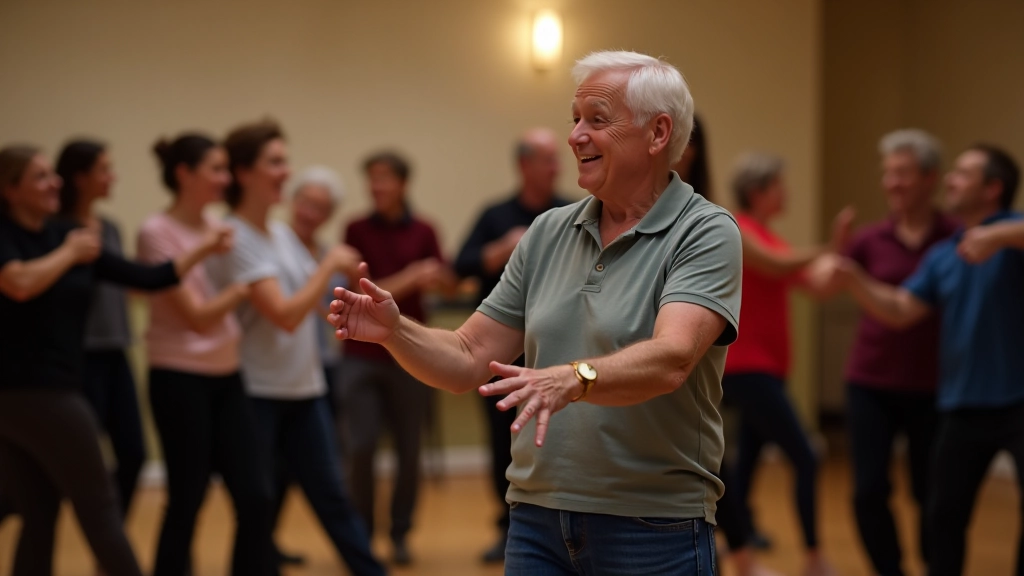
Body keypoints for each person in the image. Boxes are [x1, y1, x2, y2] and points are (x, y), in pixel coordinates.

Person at [330, 50, 741, 574]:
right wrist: (396, 332)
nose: (575, 137)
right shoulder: (548, 232)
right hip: (536, 521)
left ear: (658, 133)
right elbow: (468, 355)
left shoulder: (705, 231)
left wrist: (574, 377)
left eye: (597, 120)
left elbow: (673, 358)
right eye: (574, 119)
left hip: (652, 525)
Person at [0, 144, 229, 576]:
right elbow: (19, 283)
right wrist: (70, 253)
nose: (54, 183)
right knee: (100, 505)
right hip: (36, 391)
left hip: (48, 388)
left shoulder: (64, 235)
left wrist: (204, 247)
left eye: (52, 174)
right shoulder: (23, 238)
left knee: (40, 509)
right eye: (40, 177)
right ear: (10, 190)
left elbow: (150, 277)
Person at [816, 144, 1024, 576]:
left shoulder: (1013, 236)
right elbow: (899, 309)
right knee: (943, 517)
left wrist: (999, 236)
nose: (951, 179)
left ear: (993, 188)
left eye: (963, 173)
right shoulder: (945, 254)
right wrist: (854, 278)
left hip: (1018, 403)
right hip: (960, 407)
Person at [214, 120, 386, 576]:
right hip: (256, 392)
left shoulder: (281, 235)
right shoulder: (234, 236)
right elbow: (286, 316)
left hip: (304, 388)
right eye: (275, 162)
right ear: (244, 172)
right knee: (257, 507)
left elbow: (312, 307)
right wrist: (328, 263)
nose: (285, 172)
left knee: (331, 497)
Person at [139, 133, 275, 576]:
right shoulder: (156, 232)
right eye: (215, 169)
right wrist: (245, 287)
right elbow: (196, 317)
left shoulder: (219, 226)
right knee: (187, 498)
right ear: (184, 174)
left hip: (227, 373)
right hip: (178, 377)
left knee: (255, 496)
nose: (224, 178)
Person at [722, 152, 851, 576]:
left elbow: (815, 286)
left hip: (769, 369)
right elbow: (776, 265)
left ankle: (740, 543)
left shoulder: (773, 238)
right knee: (806, 455)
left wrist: (845, 267)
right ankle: (813, 556)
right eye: (779, 185)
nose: (786, 193)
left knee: (747, 463)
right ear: (757, 191)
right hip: (746, 367)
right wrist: (829, 248)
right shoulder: (738, 228)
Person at [840, 129, 955, 576]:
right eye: (888, 173)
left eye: (902, 173)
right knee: (868, 491)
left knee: (933, 492)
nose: (892, 183)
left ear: (930, 178)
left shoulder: (956, 237)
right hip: (871, 381)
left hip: (937, 385)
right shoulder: (869, 239)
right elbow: (827, 280)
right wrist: (832, 255)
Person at [453, 127, 570, 563]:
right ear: (524, 165)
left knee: (556, 438)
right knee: (502, 441)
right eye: (547, 159)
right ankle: (507, 527)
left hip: (557, 352)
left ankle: (559, 525)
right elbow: (459, 265)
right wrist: (503, 249)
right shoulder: (496, 215)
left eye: (556, 159)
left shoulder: (571, 211)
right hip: (501, 353)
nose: (557, 167)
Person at [672, 118, 781, 576]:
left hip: (709, 362)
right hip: (740, 364)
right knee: (721, 461)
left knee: (715, 459)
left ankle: (741, 554)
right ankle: (739, 552)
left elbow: (779, 266)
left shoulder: (710, 222)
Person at [341, 150, 456, 566]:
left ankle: (400, 534)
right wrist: (413, 276)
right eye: (371, 178)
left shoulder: (425, 230)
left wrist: (441, 278)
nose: (376, 186)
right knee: (360, 447)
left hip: (412, 353)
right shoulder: (354, 228)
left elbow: (448, 286)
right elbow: (365, 292)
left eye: (384, 178)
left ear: (403, 184)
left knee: (410, 451)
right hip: (361, 355)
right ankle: (361, 537)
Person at [54, 139, 147, 523]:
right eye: (104, 170)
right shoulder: (55, 231)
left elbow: (127, 280)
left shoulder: (110, 228)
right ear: (80, 177)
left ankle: (111, 536)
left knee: (133, 453)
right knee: (66, 459)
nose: (113, 177)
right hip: (79, 356)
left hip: (116, 350)